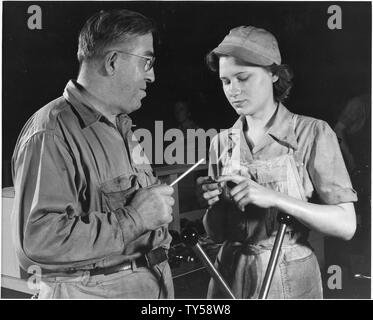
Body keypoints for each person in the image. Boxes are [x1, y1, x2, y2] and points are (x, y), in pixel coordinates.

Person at [11, 9, 175, 299]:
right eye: (147, 62)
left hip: (149, 284)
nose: (152, 75)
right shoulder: (51, 132)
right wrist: (135, 217)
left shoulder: (121, 126)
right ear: (112, 62)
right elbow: (38, 240)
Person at [196, 26, 357, 299]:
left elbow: (346, 225)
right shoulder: (222, 143)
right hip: (229, 274)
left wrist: (274, 198)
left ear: (273, 73)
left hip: (290, 274)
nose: (233, 90)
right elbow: (217, 233)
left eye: (243, 78)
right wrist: (212, 203)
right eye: (226, 81)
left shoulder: (312, 133)